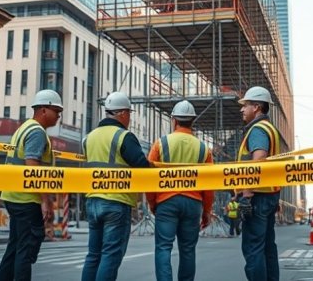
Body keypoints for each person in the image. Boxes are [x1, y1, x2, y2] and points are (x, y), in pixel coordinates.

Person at [81, 91, 150, 281]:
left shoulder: (89, 137)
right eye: (128, 113)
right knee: (110, 255)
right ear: (121, 113)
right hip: (116, 202)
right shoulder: (124, 136)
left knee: (93, 255)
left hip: (93, 201)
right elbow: (142, 166)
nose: (129, 118)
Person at [0, 89, 63, 281]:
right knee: (26, 248)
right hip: (25, 199)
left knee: (15, 247)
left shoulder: (24, 127)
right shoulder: (36, 132)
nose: (58, 115)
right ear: (43, 110)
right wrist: (46, 200)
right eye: (56, 110)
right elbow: (32, 166)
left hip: (13, 196)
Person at [145, 100, 214, 281]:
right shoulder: (203, 149)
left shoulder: (161, 144)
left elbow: (150, 177)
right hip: (193, 203)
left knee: (163, 248)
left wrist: (153, 202)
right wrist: (206, 211)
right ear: (193, 121)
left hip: (167, 201)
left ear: (174, 120)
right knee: (188, 250)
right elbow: (209, 184)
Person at [236, 86, 281, 281]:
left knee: (253, 249)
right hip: (268, 195)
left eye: (245, 105)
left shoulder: (258, 130)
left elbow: (259, 159)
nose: (241, 110)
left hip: (256, 197)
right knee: (267, 248)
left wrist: (246, 192)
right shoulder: (270, 129)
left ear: (256, 107)